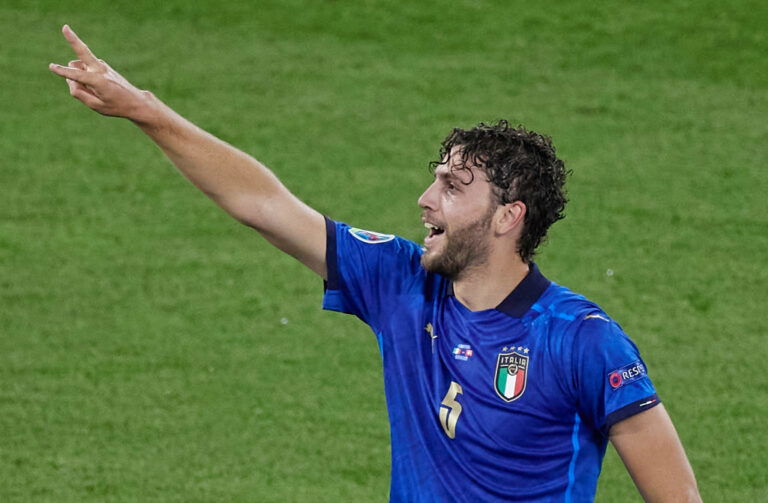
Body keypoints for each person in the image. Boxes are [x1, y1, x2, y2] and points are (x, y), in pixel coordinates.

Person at [49, 25, 702, 502]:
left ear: (509, 217)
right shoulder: (400, 283)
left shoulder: (581, 340)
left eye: (452, 185)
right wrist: (144, 109)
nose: (425, 199)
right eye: (434, 179)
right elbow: (262, 203)